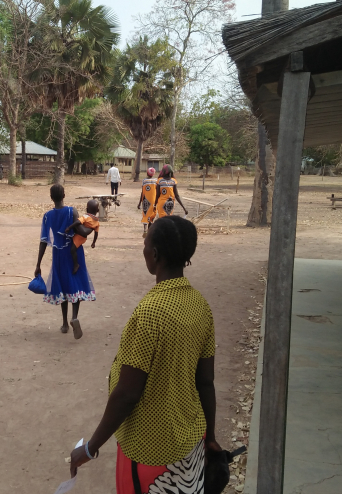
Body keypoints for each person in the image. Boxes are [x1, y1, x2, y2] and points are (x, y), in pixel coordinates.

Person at [69, 216, 219, 493]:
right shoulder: (200, 305)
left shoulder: (150, 313)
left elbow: (127, 394)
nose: (143, 246)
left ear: (155, 254)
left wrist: (89, 448)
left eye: (145, 241)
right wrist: (210, 437)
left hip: (149, 451)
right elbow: (206, 381)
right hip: (191, 441)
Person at [35, 185, 96, 339]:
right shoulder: (71, 211)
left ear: (51, 197)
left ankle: (64, 323)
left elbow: (43, 241)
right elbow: (81, 231)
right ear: (64, 194)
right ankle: (74, 317)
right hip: (74, 251)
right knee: (75, 284)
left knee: (62, 286)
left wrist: (38, 264)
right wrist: (94, 226)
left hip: (58, 255)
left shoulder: (47, 216)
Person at [66, 199, 100, 274]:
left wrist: (69, 227)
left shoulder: (86, 217)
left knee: (72, 250)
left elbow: (77, 222)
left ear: (87, 209)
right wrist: (93, 242)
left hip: (79, 236)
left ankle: (76, 264)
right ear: (98, 210)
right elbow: (96, 234)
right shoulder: (97, 222)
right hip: (83, 237)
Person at [137, 167, 158, 239]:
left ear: (147, 173)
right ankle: (150, 232)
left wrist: (139, 203)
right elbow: (158, 192)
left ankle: (145, 230)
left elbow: (142, 192)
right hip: (154, 201)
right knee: (151, 216)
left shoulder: (144, 181)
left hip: (146, 200)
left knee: (145, 215)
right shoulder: (156, 181)